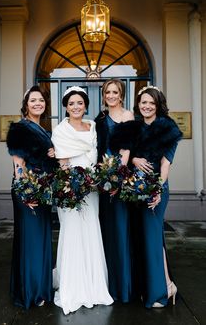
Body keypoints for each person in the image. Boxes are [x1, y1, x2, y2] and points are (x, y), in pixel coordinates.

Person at [51, 86, 113, 315]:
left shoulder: (93, 126)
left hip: (93, 190)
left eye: (79, 103)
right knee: (73, 233)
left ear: (85, 105)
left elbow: (95, 159)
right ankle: (73, 287)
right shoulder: (60, 130)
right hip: (71, 190)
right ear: (66, 107)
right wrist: (72, 188)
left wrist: (93, 182)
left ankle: (94, 286)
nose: (76, 107)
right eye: (71, 104)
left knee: (90, 230)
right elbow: (63, 164)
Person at [130, 85, 182, 308]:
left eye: (151, 102)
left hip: (156, 189)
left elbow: (165, 163)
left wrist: (157, 190)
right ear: (138, 104)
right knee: (144, 238)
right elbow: (128, 154)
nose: (147, 106)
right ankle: (166, 284)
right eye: (143, 102)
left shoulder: (167, 127)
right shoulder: (135, 126)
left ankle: (159, 291)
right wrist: (134, 160)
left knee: (152, 237)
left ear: (158, 105)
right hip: (134, 188)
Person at [6, 85, 57, 309]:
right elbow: (18, 164)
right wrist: (25, 191)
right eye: (33, 100)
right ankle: (32, 292)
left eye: (41, 100)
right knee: (31, 242)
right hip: (27, 190)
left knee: (43, 240)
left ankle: (41, 288)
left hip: (43, 190)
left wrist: (54, 155)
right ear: (26, 104)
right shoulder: (19, 128)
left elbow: (47, 161)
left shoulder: (45, 130)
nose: (38, 103)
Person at [95, 79, 135, 302]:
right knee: (106, 231)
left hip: (119, 181)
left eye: (115, 92)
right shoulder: (100, 119)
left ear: (121, 95)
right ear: (104, 95)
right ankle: (107, 284)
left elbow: (126, 150)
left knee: (120, 230)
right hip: (103, 182)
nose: (111, 95)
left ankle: (123, 287)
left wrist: (117, 177)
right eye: (107, 92)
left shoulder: (128, 116)